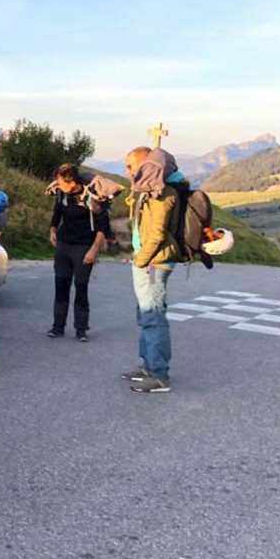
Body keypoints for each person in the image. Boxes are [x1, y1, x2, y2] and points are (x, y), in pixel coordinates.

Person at [121, 146, 183, 394]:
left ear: (145, 164)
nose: (127, 171)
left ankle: (159, 376)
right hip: (148, 260)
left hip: (155, 263)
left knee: (153, 316)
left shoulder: (162, 193)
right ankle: (148, 366)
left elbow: (157, 234)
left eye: (130, 166)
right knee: (145, 314)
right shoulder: (150, 191)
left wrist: (141, 259)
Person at [48, 163, 110, 342]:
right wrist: (53, 230)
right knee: (61, 286)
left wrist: (94, 250)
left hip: (84, 247)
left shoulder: (90, 197)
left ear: (72, 182)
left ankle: (81, 329)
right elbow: (57, 212)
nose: (59, 186)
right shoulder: (61, 193)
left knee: (81, 287)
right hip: (64, 245)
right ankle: (57, 326)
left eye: (62, 183)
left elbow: (102, 226)